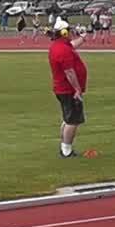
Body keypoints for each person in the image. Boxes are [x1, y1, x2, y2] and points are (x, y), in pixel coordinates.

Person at [47, 19, 90, 158]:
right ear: (64, 32)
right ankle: (66, 150)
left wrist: (82, 39)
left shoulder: (60, 46)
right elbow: (69, 72)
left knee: (68, 119)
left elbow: (72, 45)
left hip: (63, 89)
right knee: (73, 120)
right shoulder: (62, 49)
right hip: (68, 90)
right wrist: (77, 90)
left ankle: (64, 147)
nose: (72, 33)